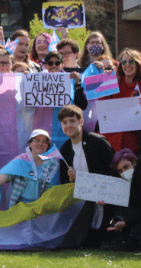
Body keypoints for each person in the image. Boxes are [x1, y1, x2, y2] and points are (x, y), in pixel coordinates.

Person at [58, 105, 114, 248]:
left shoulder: (98, 141)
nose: (68, 125)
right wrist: (71, 180)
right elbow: (64, 182)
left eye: (72, 121)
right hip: (82, 201)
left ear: (81, 121)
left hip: (106, 199)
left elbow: (115, 169)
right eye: (64, 123)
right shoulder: (64, 149)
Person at [0, 129, 59, 207]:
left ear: (47, 146)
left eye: (44, 142)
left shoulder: (52, 164)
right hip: (21, 208)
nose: (41, 144)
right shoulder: (21, 160)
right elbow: (3, 177)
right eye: (37, 140)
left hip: (42, 209)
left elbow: (53, 189)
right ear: (30, 143)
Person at [98, 48, 141, 154]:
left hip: (131, 141)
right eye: (124, 62)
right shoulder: (112, 82)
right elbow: (102, 107)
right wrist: (105, 81)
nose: (127, 65)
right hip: (110, 139)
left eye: (131, 61)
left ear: (138, 64)